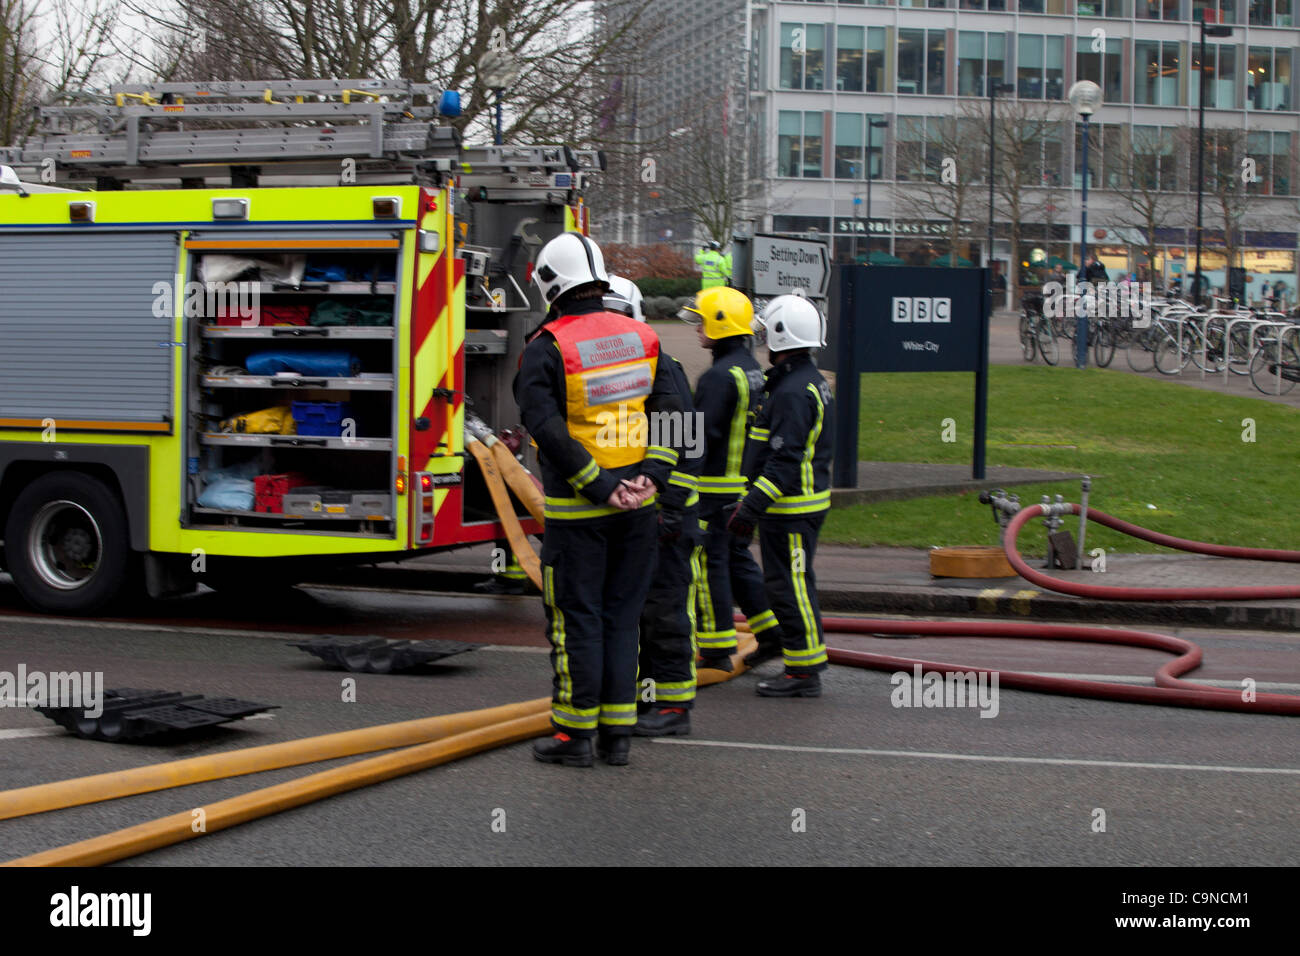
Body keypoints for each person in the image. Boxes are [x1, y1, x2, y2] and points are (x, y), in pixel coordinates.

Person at [516, 234, 684, 767]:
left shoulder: (547, 346)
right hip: (640, 511)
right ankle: (617, 736)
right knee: (622, 617)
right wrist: (652, 475)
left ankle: (574, 736)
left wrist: (597, 484)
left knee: (576, 619)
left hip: (579, 515)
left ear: (550, 284)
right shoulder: (644, 336)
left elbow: (546, 428)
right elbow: (675, 413)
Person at [602, 276, 704, 738]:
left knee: (664, 608)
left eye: (618, 316)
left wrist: (670, 509)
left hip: (665, 516)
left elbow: (687, 445)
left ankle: (674, 705)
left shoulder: (664, 368)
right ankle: (647, 697)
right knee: (638, 611)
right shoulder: (611, 372)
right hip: (634, 514)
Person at [726, 293, 835, 698]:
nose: (761, 341)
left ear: (779, 337)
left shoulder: (791, 392)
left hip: (790, 511)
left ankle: (804, 672)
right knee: (789, 583)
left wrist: (749, 509)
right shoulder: (802, 381)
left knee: (790, 587)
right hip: (793, 508)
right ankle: (801, 663)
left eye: (766, 334)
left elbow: (784, 461)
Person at [675, 286, 785, 676]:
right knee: (737, 559)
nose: (697, 329)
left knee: (708, 564)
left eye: (702, 321)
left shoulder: (717, 378)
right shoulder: (754, 371)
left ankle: (716, 647)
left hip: (713, 492)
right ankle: (770, 632)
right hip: (743, 490)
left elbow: (696, 437)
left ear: (721, 324)